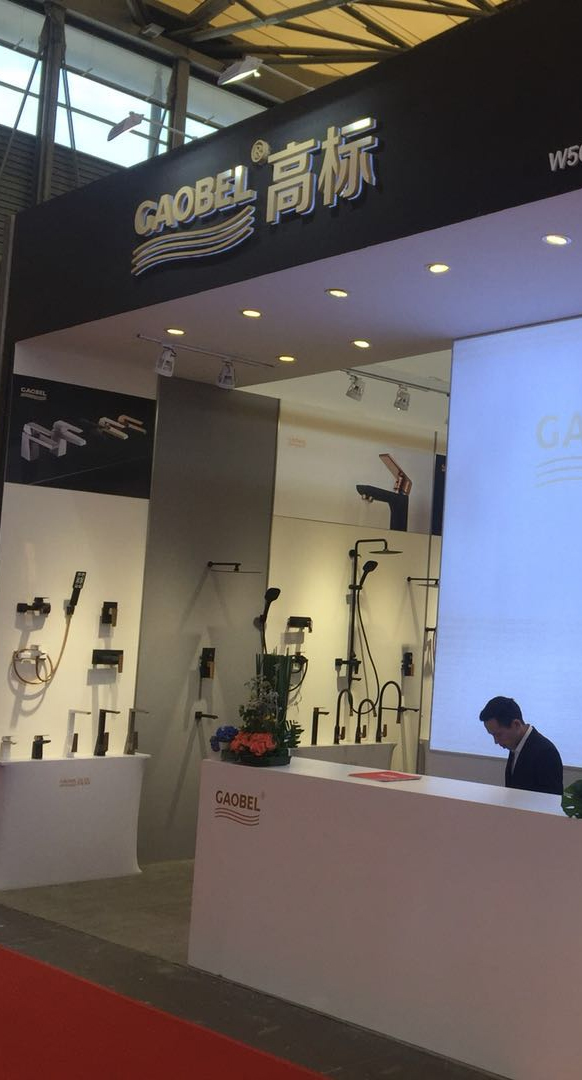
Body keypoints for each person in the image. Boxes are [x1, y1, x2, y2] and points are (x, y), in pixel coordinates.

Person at [479, 695, 563, 796]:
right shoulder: (515, 744)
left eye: (499, 734)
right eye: (492, 735)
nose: (496, 741)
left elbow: (551, 801)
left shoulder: (546, 753)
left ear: (516, 724)